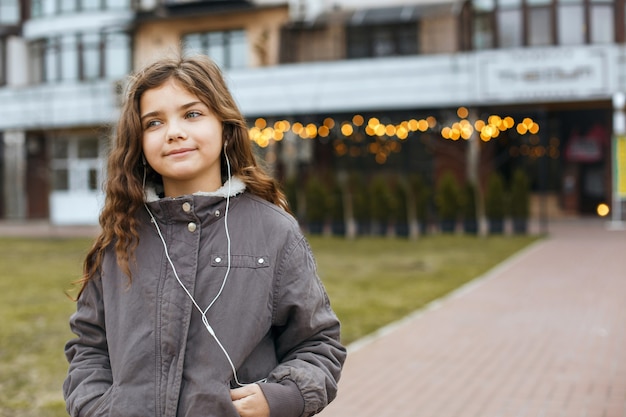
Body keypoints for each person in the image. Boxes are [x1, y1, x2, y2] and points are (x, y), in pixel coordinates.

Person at [63, 54, 346, 417]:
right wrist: (97, 408)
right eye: (154, 122)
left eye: (192, 114)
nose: (174, 131)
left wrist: (281, 396)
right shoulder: (123, 233)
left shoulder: (273, 231)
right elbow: (89, 347)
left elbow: (318, 343)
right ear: (139, 141)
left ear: (225, 127)